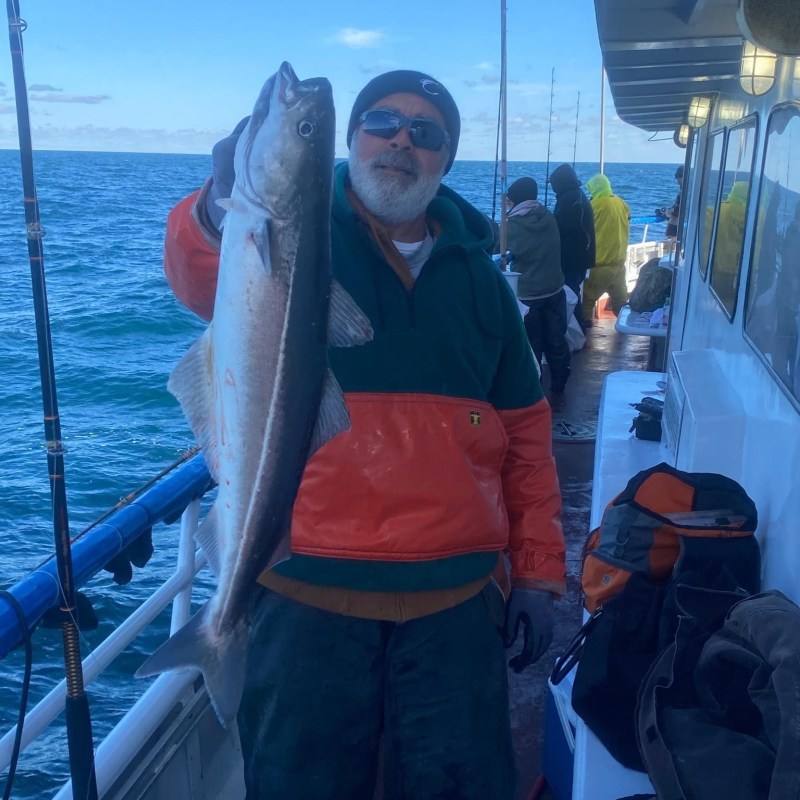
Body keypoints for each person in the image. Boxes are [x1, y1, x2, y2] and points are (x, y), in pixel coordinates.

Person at [164, 69, 566, 800]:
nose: (401, 140)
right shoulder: (293, 233)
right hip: (302, 588)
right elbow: (197, 281)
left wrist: (538, 572)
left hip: (454, 603)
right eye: (382, 120)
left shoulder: (482, 280)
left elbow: (528, 438)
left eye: (427, 131)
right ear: (350, 140)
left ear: (446, 158)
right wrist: (214, 215)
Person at [505, 177, 571, 392]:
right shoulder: (549, 217)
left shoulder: (511, 226)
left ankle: (536, 390)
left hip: (528, 295)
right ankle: (560, 381)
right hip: (554, 289)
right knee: (556, 339)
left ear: (514, 200)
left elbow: (505, 252)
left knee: (533, 346)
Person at [548, 163, 596, 331]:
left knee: (570, 293)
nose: (553, 188)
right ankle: (577, 328)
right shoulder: (576, 195)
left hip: (573, 257)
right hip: (581, 255)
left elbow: (560, 226)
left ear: (561, 182)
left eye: (554, 184)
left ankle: (575, 330)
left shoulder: (570, 199)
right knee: (573, 292)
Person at [582, 173, 631, 324]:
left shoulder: (593, 206)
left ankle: (585, 331)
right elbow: (628, 218)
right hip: (619, 263)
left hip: (600, 263)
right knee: (621, 303)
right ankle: (626, 331)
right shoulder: (621, 203)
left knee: (587, 300)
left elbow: (583, 229)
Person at [655, 164, 684, 239]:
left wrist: (669, 212)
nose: (677, 181)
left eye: (678, 178)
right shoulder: (685, 191)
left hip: (675, 229)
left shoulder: (684, 192)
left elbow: (679, 210)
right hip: (676, 229)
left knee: (673, 245)